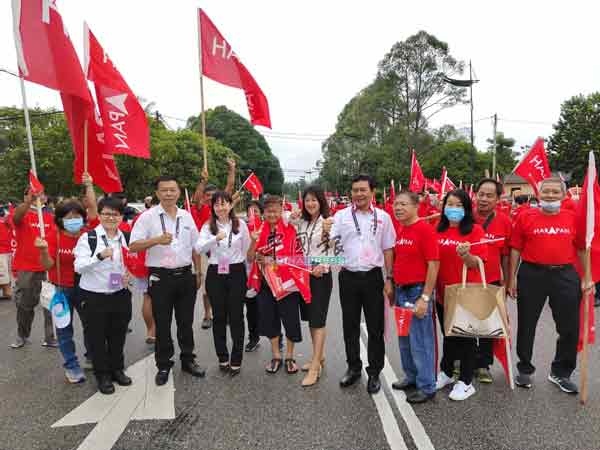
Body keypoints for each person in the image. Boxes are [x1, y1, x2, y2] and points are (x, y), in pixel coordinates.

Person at [508, 177, 591, 394]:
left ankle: (561, 372)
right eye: (546, 192)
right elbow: (515, 248)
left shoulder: (573, 218)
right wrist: (512, 277)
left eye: (555, 192)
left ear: (563, 196)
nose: (551, 195)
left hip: (565, 274)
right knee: (527, 324)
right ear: (539, 194)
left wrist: (586, 277)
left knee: (569, 327)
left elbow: (582, 249)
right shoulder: (526, 216)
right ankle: (524, 369)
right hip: (531, 274)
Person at [323, 174, 396, 394]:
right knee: (350, 325)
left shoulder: (383, 217)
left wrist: (389, 278)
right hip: (349, 277)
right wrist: (326, 229)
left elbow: (388, 249)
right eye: (355, 190)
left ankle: (374, 372)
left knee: (375, 327)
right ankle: (353, 368)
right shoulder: (341, 216)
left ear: (372, 192)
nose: (358, 194)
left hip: (373, 277)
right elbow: (329, 241)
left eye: (363, 190)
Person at [130, 176, 205, 386]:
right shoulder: (147, 217)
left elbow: (196, 247)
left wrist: (198, 272)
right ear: (157, 193)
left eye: (173, 189)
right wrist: (156, 240)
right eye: (164, 190)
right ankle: (163, 364)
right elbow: (133, 245)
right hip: (160, 277)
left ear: (179, 192)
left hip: (185, 275)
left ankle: (188, 360)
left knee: (186, 322)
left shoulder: (186, 216)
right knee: (162, 323)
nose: (169, 193)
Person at [35, 177, 97, 383]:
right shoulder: (52, 237)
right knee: (64, 329)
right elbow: (47, 266)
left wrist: (89, 185)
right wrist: (43, 251)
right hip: (61, 289)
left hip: (86, 287)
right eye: (68, 216)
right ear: (60, 219)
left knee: (91, 325)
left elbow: (94, 211)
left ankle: (92, 357)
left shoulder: (88, 233)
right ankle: (71, 365)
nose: (73, 220)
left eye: (77, 215)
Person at [74, 197, 133, 395]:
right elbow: (79, 267)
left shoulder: (125, 236)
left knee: (118, 334)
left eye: (115, 214)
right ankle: (103, 375)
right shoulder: (89, 238)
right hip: (94, 295)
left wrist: (129, 274)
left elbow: (131, 261)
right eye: (106, 213)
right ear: (99, 215)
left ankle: (117, 369)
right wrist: (99, 256)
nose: (110, 217)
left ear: (121, 217)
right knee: (97, 337)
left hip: (119, 293)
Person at [434, 189, 488, 401]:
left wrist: (467, 255)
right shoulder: (436, 229)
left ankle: (466, 381)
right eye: (450, 204)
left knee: (465, 339)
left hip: (465, 294)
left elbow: (478, 263)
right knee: (448, 335)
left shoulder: (474, 231)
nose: (453, 209)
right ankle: (447, 372)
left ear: (466, 209)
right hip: (442, 294)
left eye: (458, 205)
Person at [389, 191, 439, 403]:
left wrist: (425, 298)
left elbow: (434, 264)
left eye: (403, 204)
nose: (398, 208)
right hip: (401, 291)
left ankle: (427, 386)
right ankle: (411, 377)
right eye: (395, 204)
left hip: (417, 292)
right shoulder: (402, 229)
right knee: (404, 340)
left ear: (416, 206)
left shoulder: (424, 230)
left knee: (420, 341)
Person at [195, 191, 250, 376]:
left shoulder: (240, 225)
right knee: (219, 317)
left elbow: (246, 249)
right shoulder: (208, 226)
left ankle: (236, 358)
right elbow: (198, 248)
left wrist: (247, 276)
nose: (220, 207)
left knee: (236, 316)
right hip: (215, 272)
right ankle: (222, 357)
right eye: (217, 204)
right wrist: (214, 238)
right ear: (213, 208)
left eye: (224, 203)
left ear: (230, 205)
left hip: (236, 272)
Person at [247, 195, 304, 375]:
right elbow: (249, 258)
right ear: (263, 213)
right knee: (270, 320)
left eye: (276, 211)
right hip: (266, 284)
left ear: (281, 212)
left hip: (287, 285)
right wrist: (254, 242)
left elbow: (297, 257)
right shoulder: (258, 231)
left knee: (290, 320)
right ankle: (276, 356)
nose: (272, 214)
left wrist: (273, 259)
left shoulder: (290, 229)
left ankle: (289, 356)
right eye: (268, 210)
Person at [290, 185, 333, 387]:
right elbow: (283, 219)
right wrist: (292, 213)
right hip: (304, 275)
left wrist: (321, 266)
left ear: (321, 201)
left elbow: (335, 251)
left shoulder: (328, 223)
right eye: (307, 200)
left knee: (318, 320)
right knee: (310, 319)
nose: (310, 203)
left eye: (314, 200)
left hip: (320, 277)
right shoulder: (303, 222)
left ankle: (315, 366)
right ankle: (320, 356)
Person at [472, 178, 512, 384]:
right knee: (465, 323)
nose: (484, 199)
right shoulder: (464, 217)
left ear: (498, 199)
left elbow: (507, 255)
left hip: (492, 280)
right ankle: (463, 361)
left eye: (489, 195)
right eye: (481, 194)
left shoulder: (505, 221)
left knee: (488, 325)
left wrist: (507, 282)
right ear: (475, 194)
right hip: (466, 280)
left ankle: (483, 365)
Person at [191, 159, 236, 330]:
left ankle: (225, 313)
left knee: (225, 283)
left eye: (213, 197)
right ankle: (207, 314)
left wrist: (231, 169)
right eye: (207, 196)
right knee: (206, 287)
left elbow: (229, 188)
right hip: (206, 252)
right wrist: (202, 181)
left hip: (223, 253)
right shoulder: (201, 208)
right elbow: (196, 198)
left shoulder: (221, 207)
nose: (211, 200)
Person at [10, 188, 56, 349]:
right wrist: (28, 201)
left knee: (50, 304)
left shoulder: (51, 216)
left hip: (49, 266)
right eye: (30, 193)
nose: (37, 195)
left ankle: (50, 337)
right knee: (25, 305)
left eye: (40, 193)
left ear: (45, 197)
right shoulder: (22, 214)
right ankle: (22, 335)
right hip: (26, 268)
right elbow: (16, 217)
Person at [244, 200, 263, 352]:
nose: (253, 214)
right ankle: (253, 338)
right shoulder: (243, 230)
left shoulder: (268, 227)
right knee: (251, 310)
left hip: (268, 276)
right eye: (250, 211)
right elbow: (248, 257)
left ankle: (278, 339)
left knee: (272, 309)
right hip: (249, 276)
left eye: (256, 211)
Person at [0, 207, 13, 300]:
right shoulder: (5, 222)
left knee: (5, 272)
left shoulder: (6, 223)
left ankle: (7, 291)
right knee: (4, 271)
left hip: (5, 251)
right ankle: (7, 291)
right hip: (4, 251)